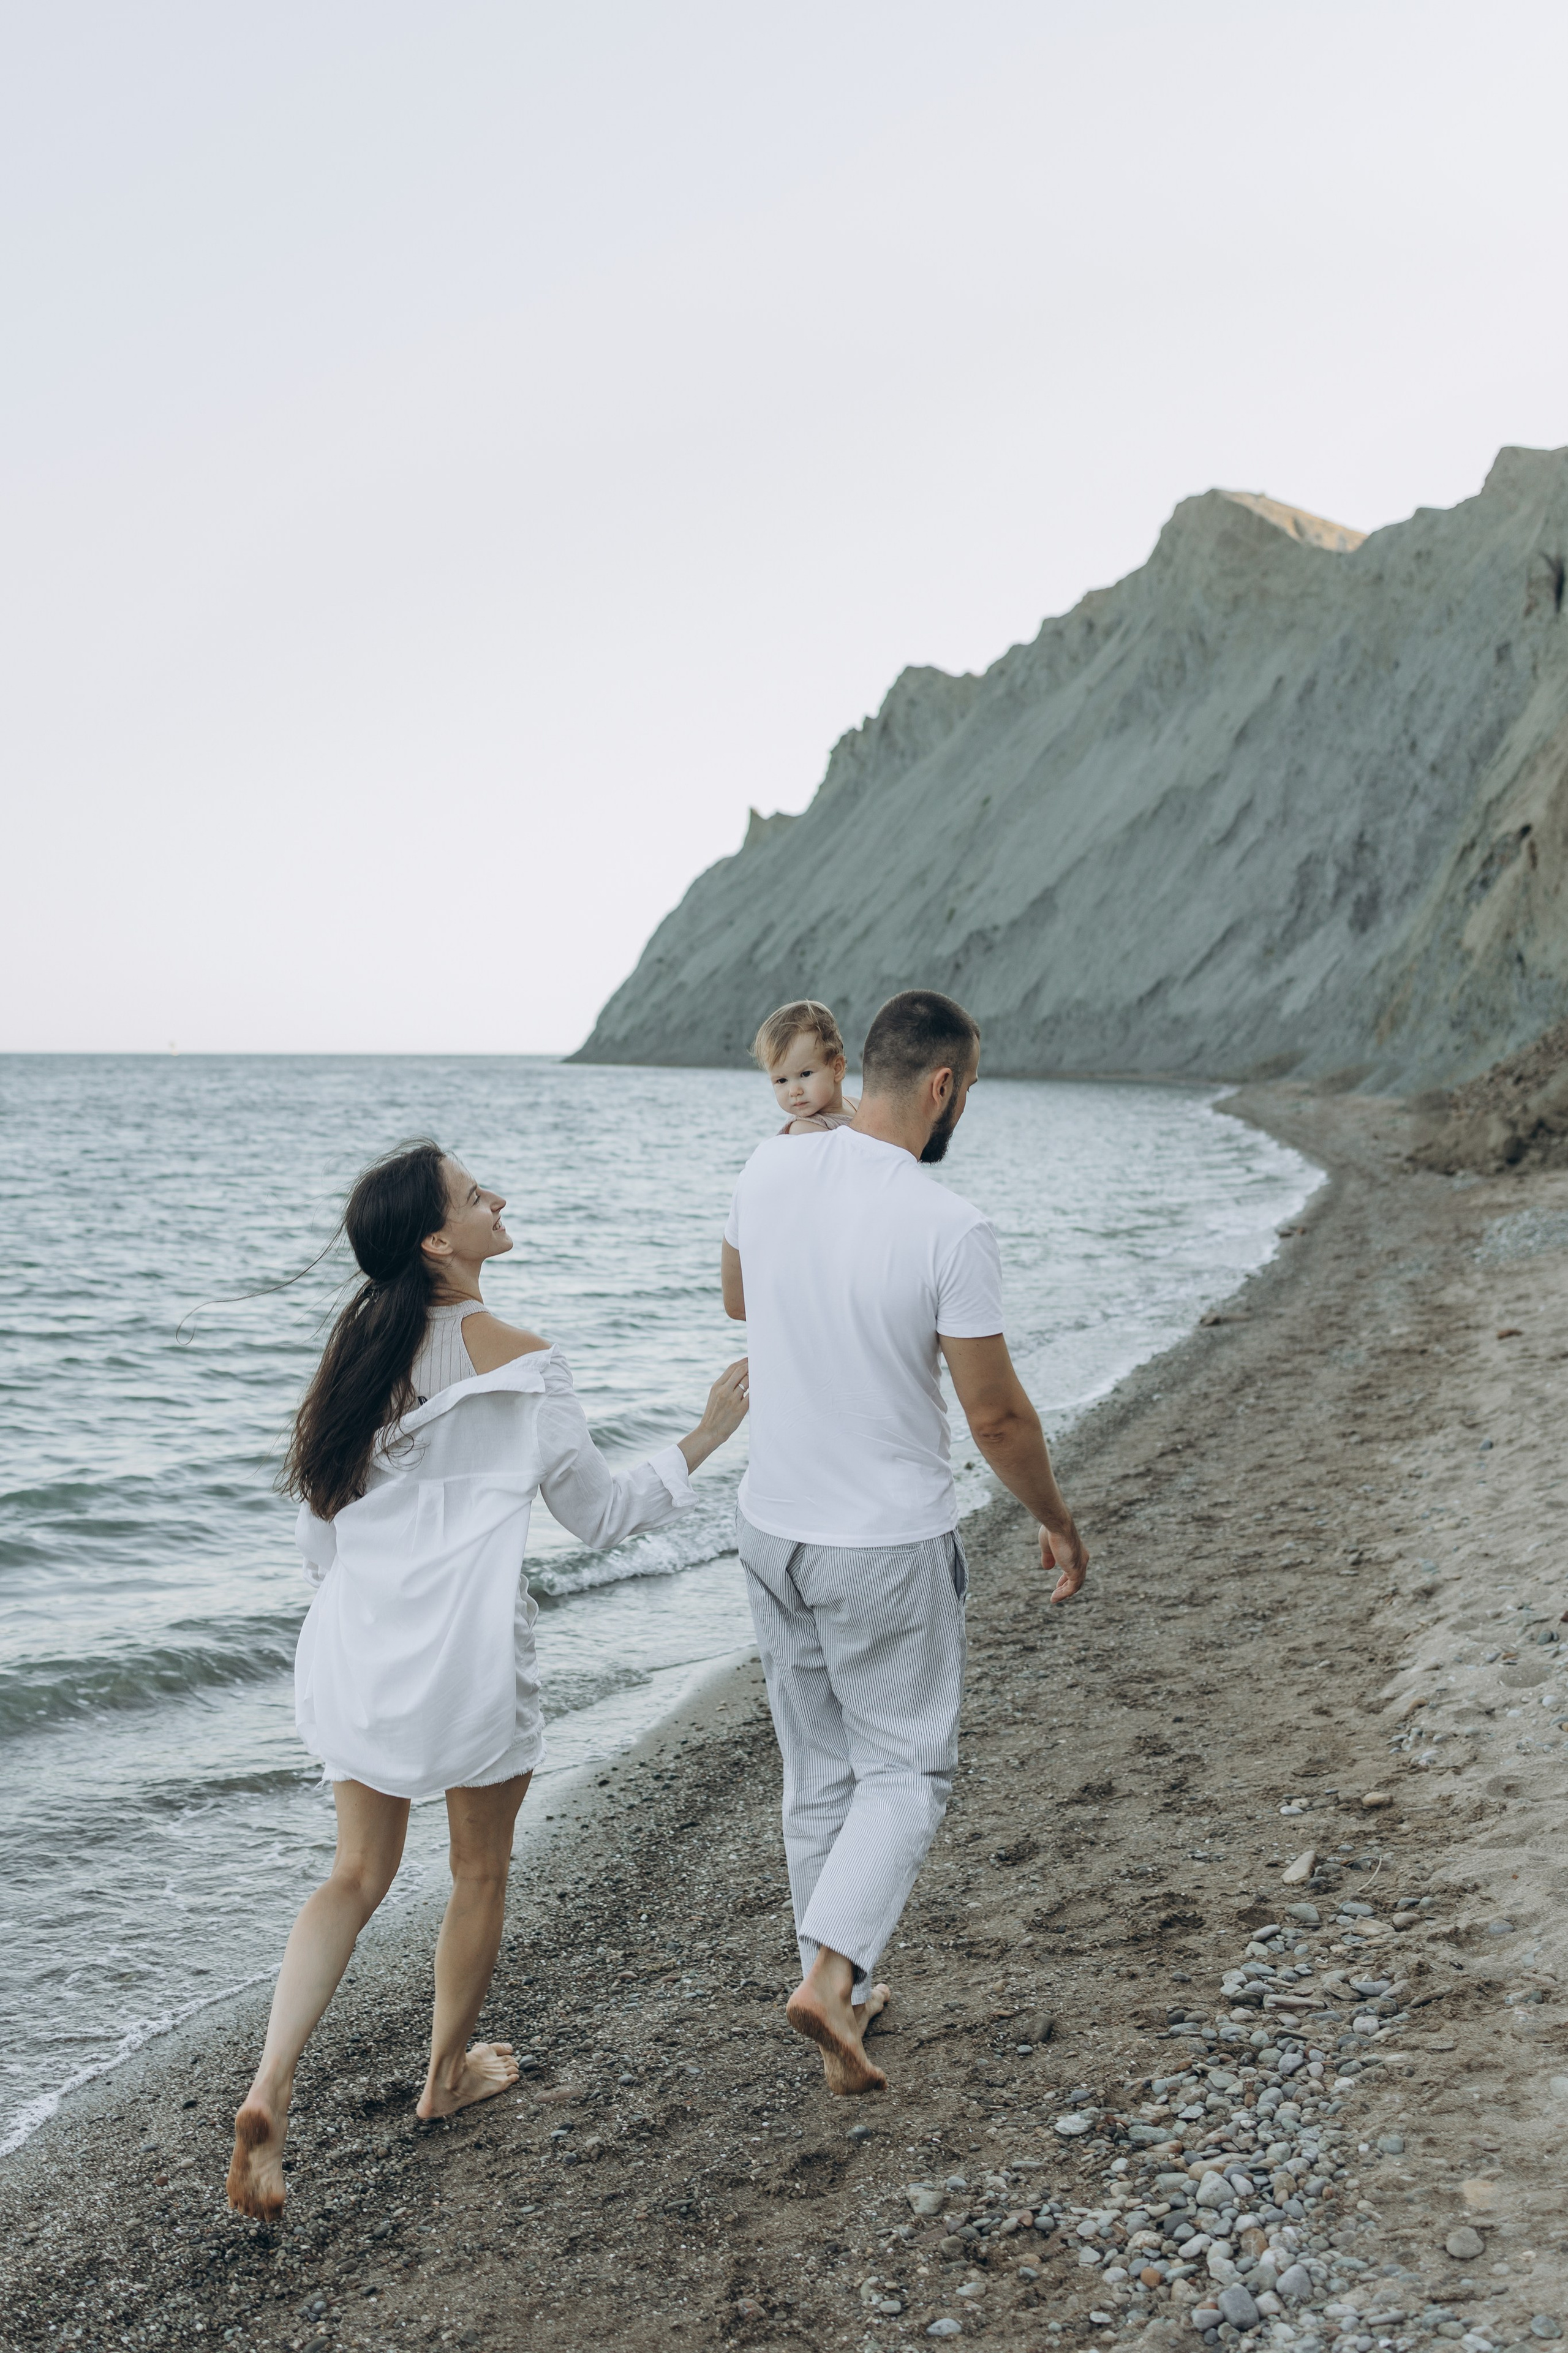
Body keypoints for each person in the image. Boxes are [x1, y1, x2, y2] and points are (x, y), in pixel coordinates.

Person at [227, 1139, 748, 2220]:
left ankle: (271, 2085)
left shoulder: (354, 1357)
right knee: (477, 1873)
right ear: (436, 1238)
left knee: (354, 1876)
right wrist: (704, 1435)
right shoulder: (524, 1357)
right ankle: (443, 2076)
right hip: (469, 1661)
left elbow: (317, 1536)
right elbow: (599, 1514)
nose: (495, 1199)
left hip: (360, 1648)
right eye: (474, 1195)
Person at [720, 989, 1087, 2095]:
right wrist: (1055, 1517)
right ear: (940, 1087)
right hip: (880, 1540)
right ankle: (832, 1978)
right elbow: (996, 1418)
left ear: (856, 1069)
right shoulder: (947, 1224)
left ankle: (844, 1989)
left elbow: (740, 1297)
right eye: (965, 1090)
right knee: (906, 1770)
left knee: (817, 1773)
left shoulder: (764, 1168)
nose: (961, 1105)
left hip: (769, 1527)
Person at [754, 999, 860, 1133]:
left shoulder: (857, 1106)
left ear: (837, 1069)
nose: (794, 1091)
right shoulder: (805, 1129)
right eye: (782, 1080)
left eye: (805, 1074)